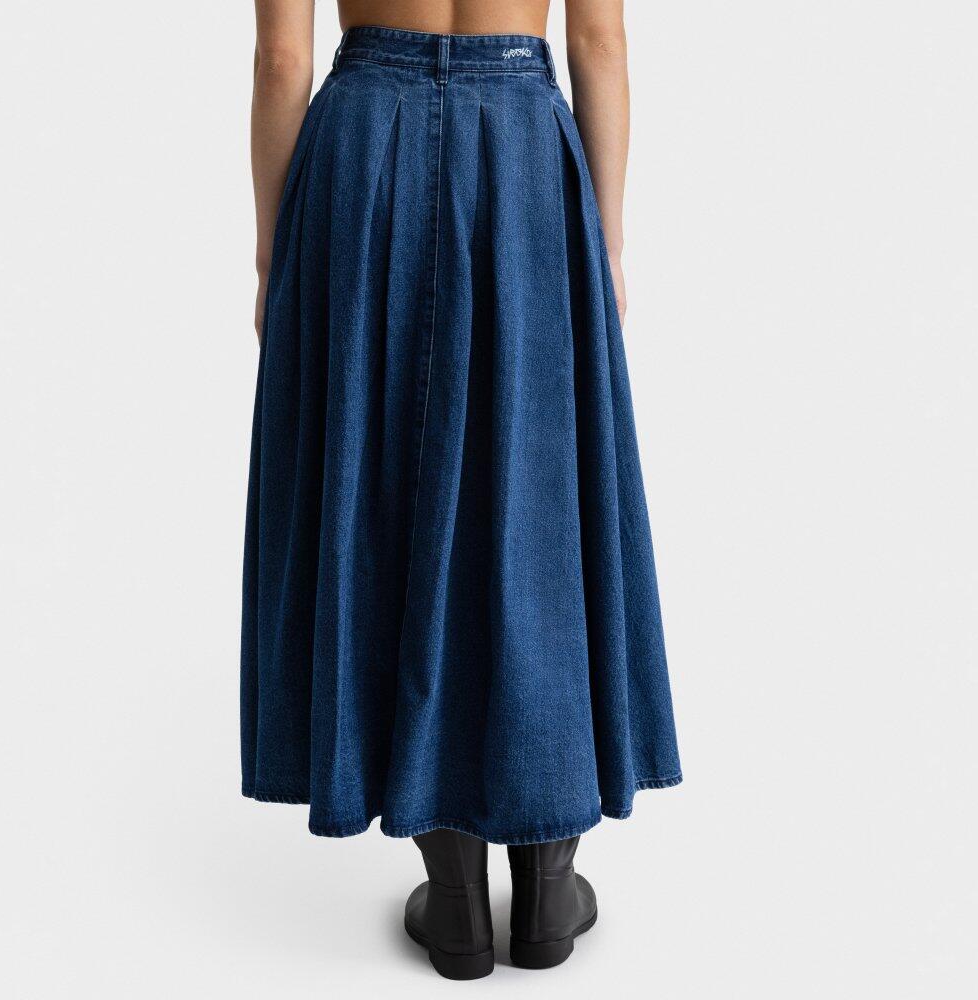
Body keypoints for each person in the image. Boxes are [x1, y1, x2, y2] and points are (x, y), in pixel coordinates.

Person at [243, 0, 681, 979]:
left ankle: (452, 896)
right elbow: (599, 42)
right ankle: (547, 883)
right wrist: (606, 240)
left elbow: (280, 60)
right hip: (522, 149)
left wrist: (274, 250)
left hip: (366, 154)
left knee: (391, 496)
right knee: (536, 497)